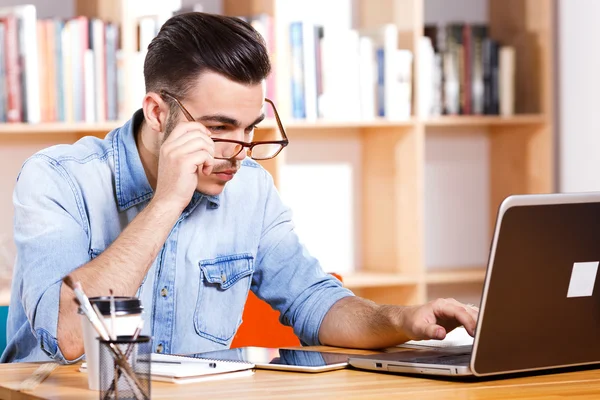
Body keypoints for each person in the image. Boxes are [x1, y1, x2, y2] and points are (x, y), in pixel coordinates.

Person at [1, 12, 478, 363]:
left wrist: (404, 320)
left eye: (250, 129)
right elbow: (71, 336)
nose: (241, 151)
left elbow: (313, 301)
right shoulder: (59, 179)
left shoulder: (250, 189)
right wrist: (168, 201)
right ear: (158, 112)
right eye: (218, 127)